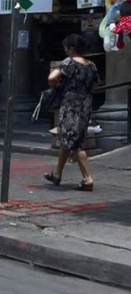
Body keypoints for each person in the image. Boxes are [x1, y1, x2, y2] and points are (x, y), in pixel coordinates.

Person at [43, 33, 99, 191]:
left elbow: (52, 77)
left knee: (74, 144)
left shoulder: (68, 63)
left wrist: (57, 85)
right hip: (85, 105)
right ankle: (57, 174)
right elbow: (95, 85)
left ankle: (87, 179)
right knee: (69, 140)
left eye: (66, 48)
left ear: (72, 49)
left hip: (70, 106)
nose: (65, 51)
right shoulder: (91, 65)